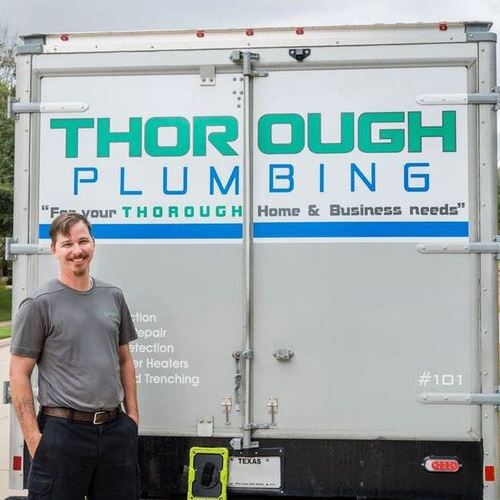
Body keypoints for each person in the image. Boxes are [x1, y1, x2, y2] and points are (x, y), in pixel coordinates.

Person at [9, 212, 139, 499]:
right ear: (54, 249)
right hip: (62, 432)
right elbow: (18, 373)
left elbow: (125, 360)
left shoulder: (113, 296)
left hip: (115, 431)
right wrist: (34, 439)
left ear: (93, 243)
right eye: (67, 244)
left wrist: (132, 418)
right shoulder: (39, 304)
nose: (77, 250)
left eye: (83, 241)